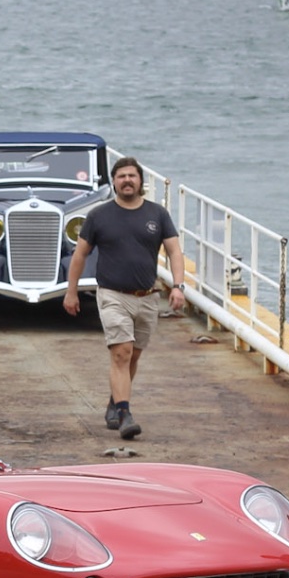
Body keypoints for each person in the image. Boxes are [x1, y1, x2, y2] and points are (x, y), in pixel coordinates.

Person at [61, 157, 185, 439]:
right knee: (122, 352)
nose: (127, 180)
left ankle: (114, 401)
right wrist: (71, 291)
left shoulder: (158, 214)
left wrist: (178, 286)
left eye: (132, 176)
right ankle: (125, 414)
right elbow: (79, 255)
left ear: (141, 181)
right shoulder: (99, 215)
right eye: (121, 176)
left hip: (147, 297)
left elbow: (174, 252)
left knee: (133, 356)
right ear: (113, 182)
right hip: (112, 295)